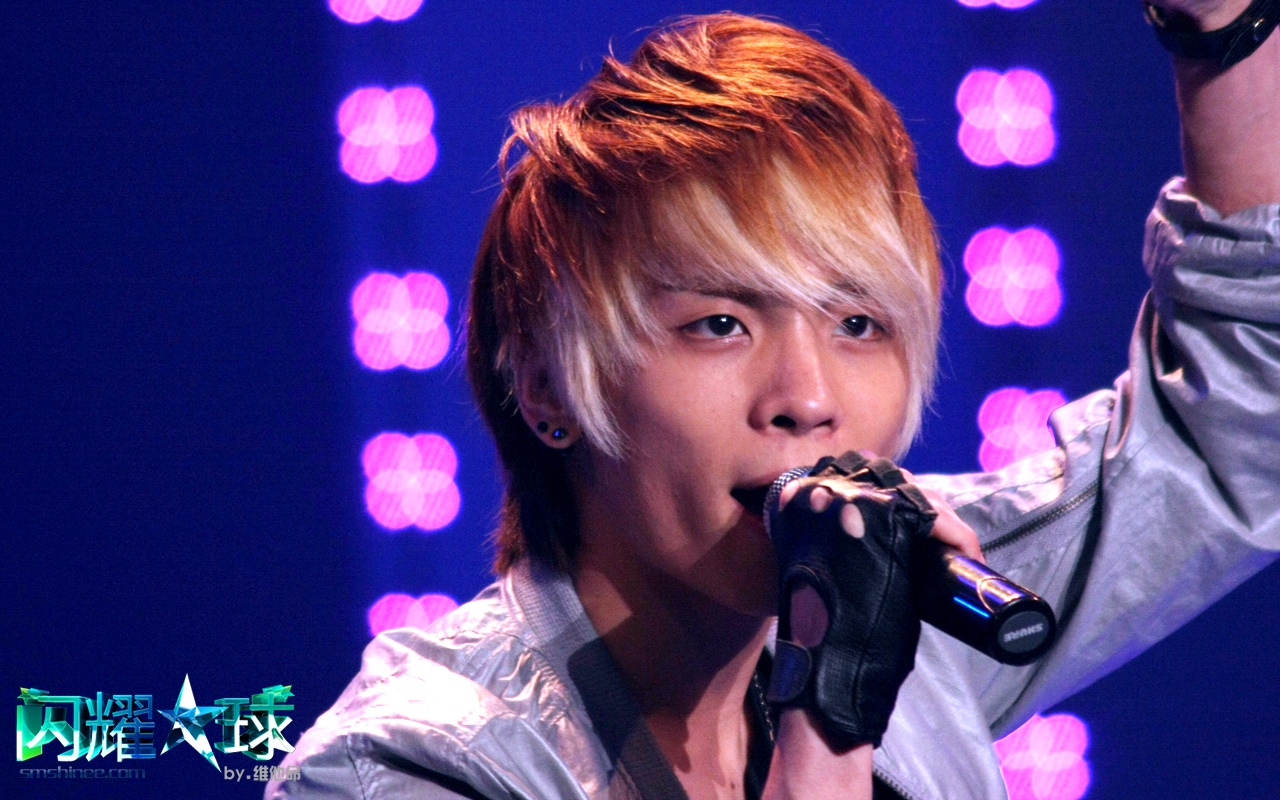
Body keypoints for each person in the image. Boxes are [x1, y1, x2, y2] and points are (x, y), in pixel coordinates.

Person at [269, 5, 1280, 799]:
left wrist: (1222, 23)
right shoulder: (405, 767)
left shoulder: (908, 613)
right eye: (719, 323)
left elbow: (1234, 423)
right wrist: (830, 721)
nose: (807, 397)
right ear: (543, 383)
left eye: (858, 323)